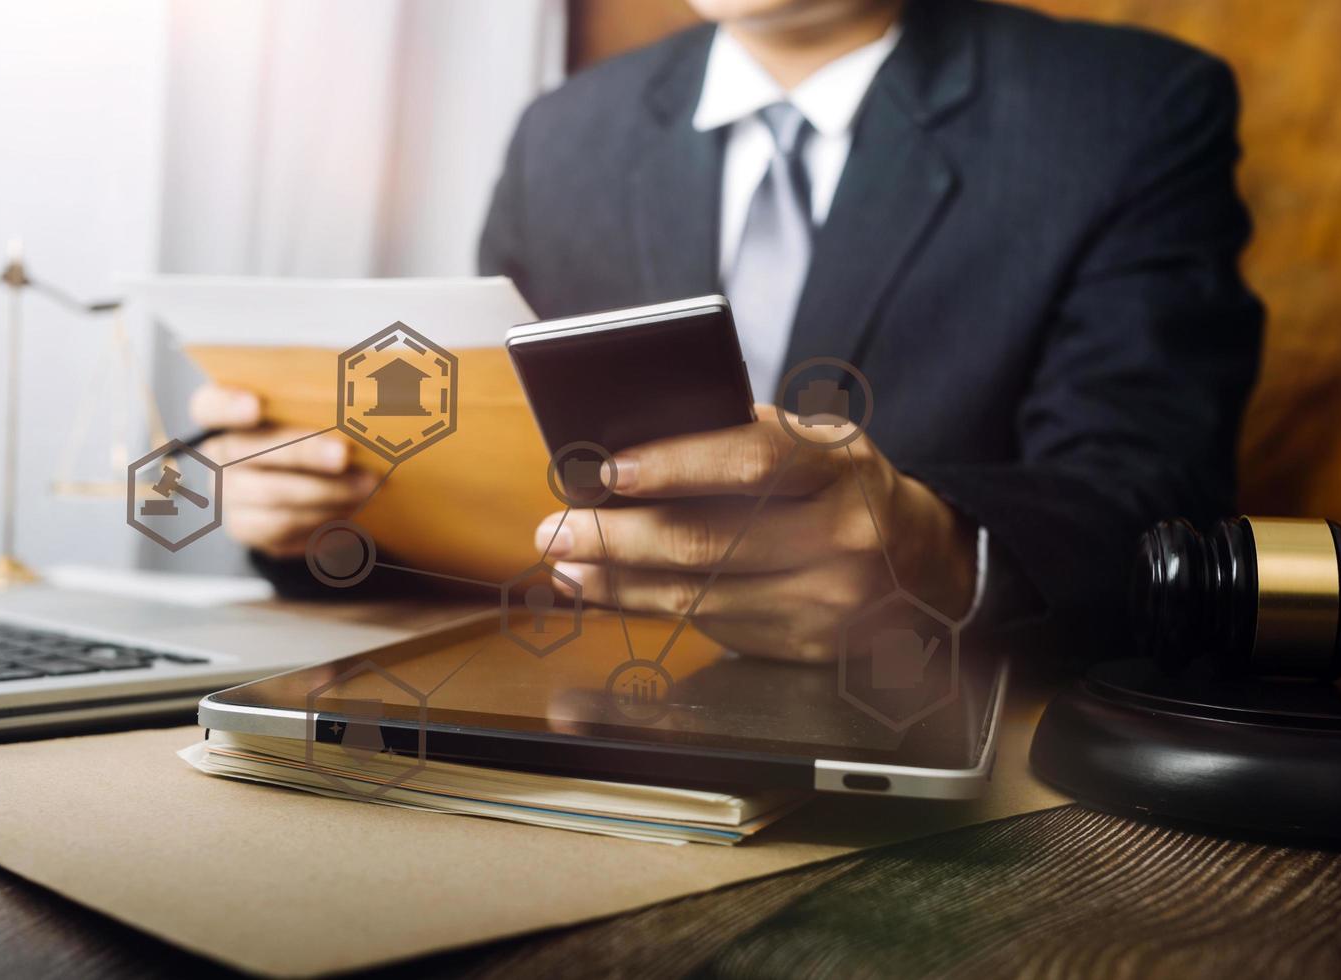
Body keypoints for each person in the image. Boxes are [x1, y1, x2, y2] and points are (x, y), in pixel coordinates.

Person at [192, 0, 1261, 658]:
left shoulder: (1125, 108)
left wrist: (937, 557)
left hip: (949, 737)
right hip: (585, 707)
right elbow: (517, 493)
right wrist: (327, 512)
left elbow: (1154, 505)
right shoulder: (565, 135)